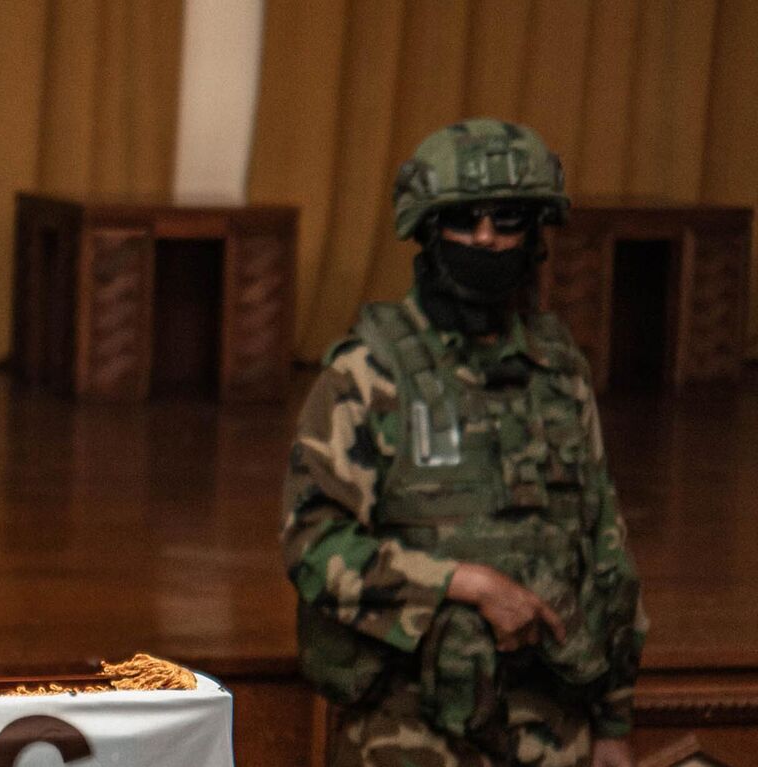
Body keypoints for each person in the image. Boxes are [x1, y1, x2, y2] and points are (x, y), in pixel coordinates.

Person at [283, 119, 648, 766]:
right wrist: (462, 583)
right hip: (410, 729)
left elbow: (606, 547)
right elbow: (315, 546)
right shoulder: (369, 374)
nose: (485, 237)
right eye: (463, 219)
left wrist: (613, 721)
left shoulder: (560, 373)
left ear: (534, 234)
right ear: (427, 229)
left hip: (553, 727)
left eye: (506, 219)